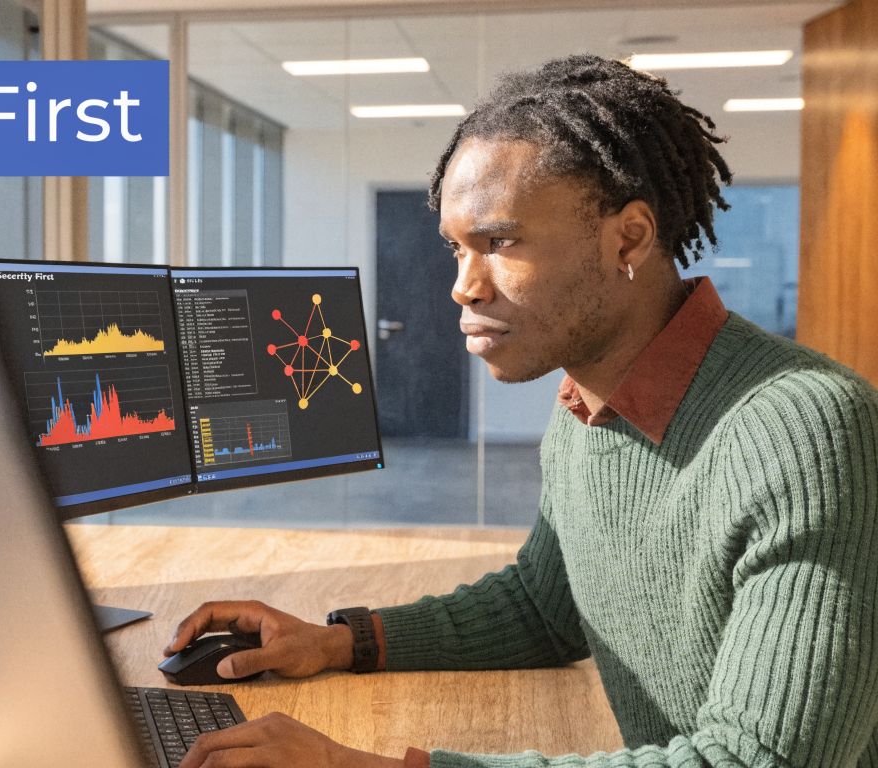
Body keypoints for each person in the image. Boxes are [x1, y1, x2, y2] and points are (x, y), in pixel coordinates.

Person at [167, 54, 878, 768]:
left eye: (500, 243)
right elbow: (544, 608)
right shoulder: (585, 408)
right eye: (455, 249)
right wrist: (336, 641)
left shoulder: (806, 428)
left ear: (627, 238)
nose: (463, 287)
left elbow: (763, 760)